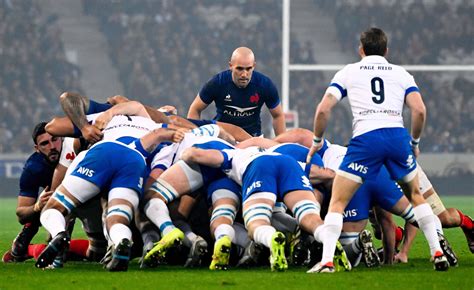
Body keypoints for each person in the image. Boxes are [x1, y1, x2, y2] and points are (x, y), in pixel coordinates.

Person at [306, 27, 448, 273]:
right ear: (386, 50)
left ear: (361, 50)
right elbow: (420, 110)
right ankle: (436, 251)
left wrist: (317, 140)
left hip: (366, 141)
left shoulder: (349, 71)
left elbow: (323, 109)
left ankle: (327, 261)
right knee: (416, 196)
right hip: (396, 137)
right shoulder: (401, 73)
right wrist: (414, 143)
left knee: (337, 202)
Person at [187, 47, 286, 137]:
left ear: (254, 66)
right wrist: (194, 139)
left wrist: (281, 145)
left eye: (248, 69)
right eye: (239, 69)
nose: (244, 74)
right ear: (231, 66)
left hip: (252, 139)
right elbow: (195, 108)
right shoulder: (217, 83)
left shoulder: (265, 85)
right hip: (223, 137)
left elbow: (278, 115)